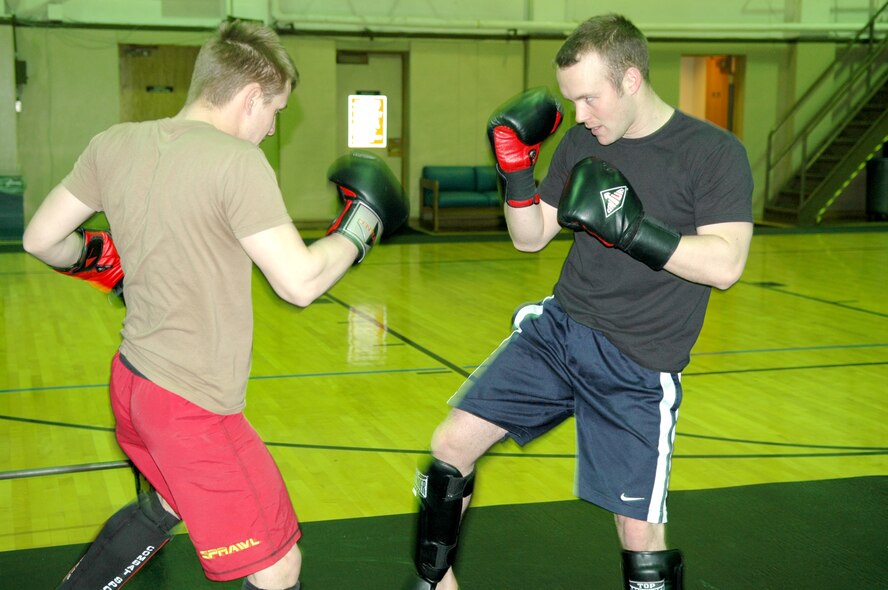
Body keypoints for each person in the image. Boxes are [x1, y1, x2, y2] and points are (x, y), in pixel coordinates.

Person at [22, 20, 407, 590]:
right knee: (277, 566)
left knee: (169, 503)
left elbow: (41, 240)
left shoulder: (116, 143)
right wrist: (359, 226)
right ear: (251, 98)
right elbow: (298, 282)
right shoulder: (237, 162)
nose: (274, 126)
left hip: (132, 385)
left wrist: (102, 259)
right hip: (191, 405)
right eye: (275, 110)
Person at [408, 13, 753, 590]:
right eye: (572, 102)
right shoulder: (580, 141)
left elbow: (726, 264)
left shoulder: (711, 153)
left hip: (637, 362)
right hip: (560, 332)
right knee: (450, 446)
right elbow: (529, 237)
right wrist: (515, 169)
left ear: (631, 79)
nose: (581, 116)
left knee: (637, 529)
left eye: (590, 99)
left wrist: (633, 230)